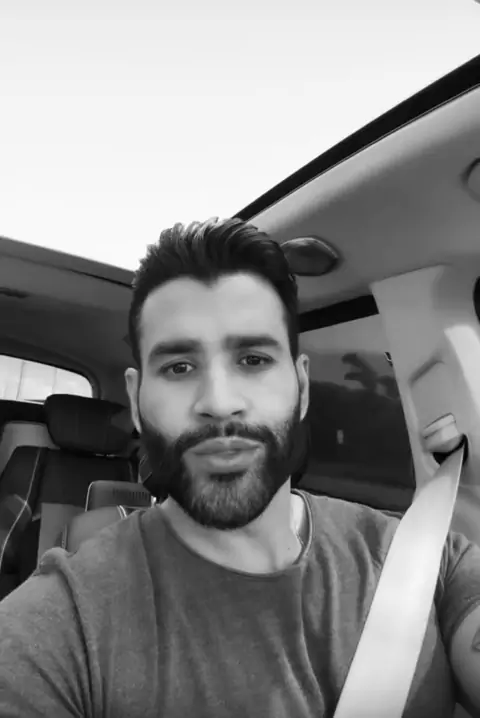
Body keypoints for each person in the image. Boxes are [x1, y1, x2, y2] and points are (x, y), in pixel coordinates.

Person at [0, 218, 480, 718]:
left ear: (302, 387)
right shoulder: (66, 621)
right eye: (179, 367)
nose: (219, 402)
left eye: (253, 360)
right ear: (137, 400)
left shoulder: (426, 561)